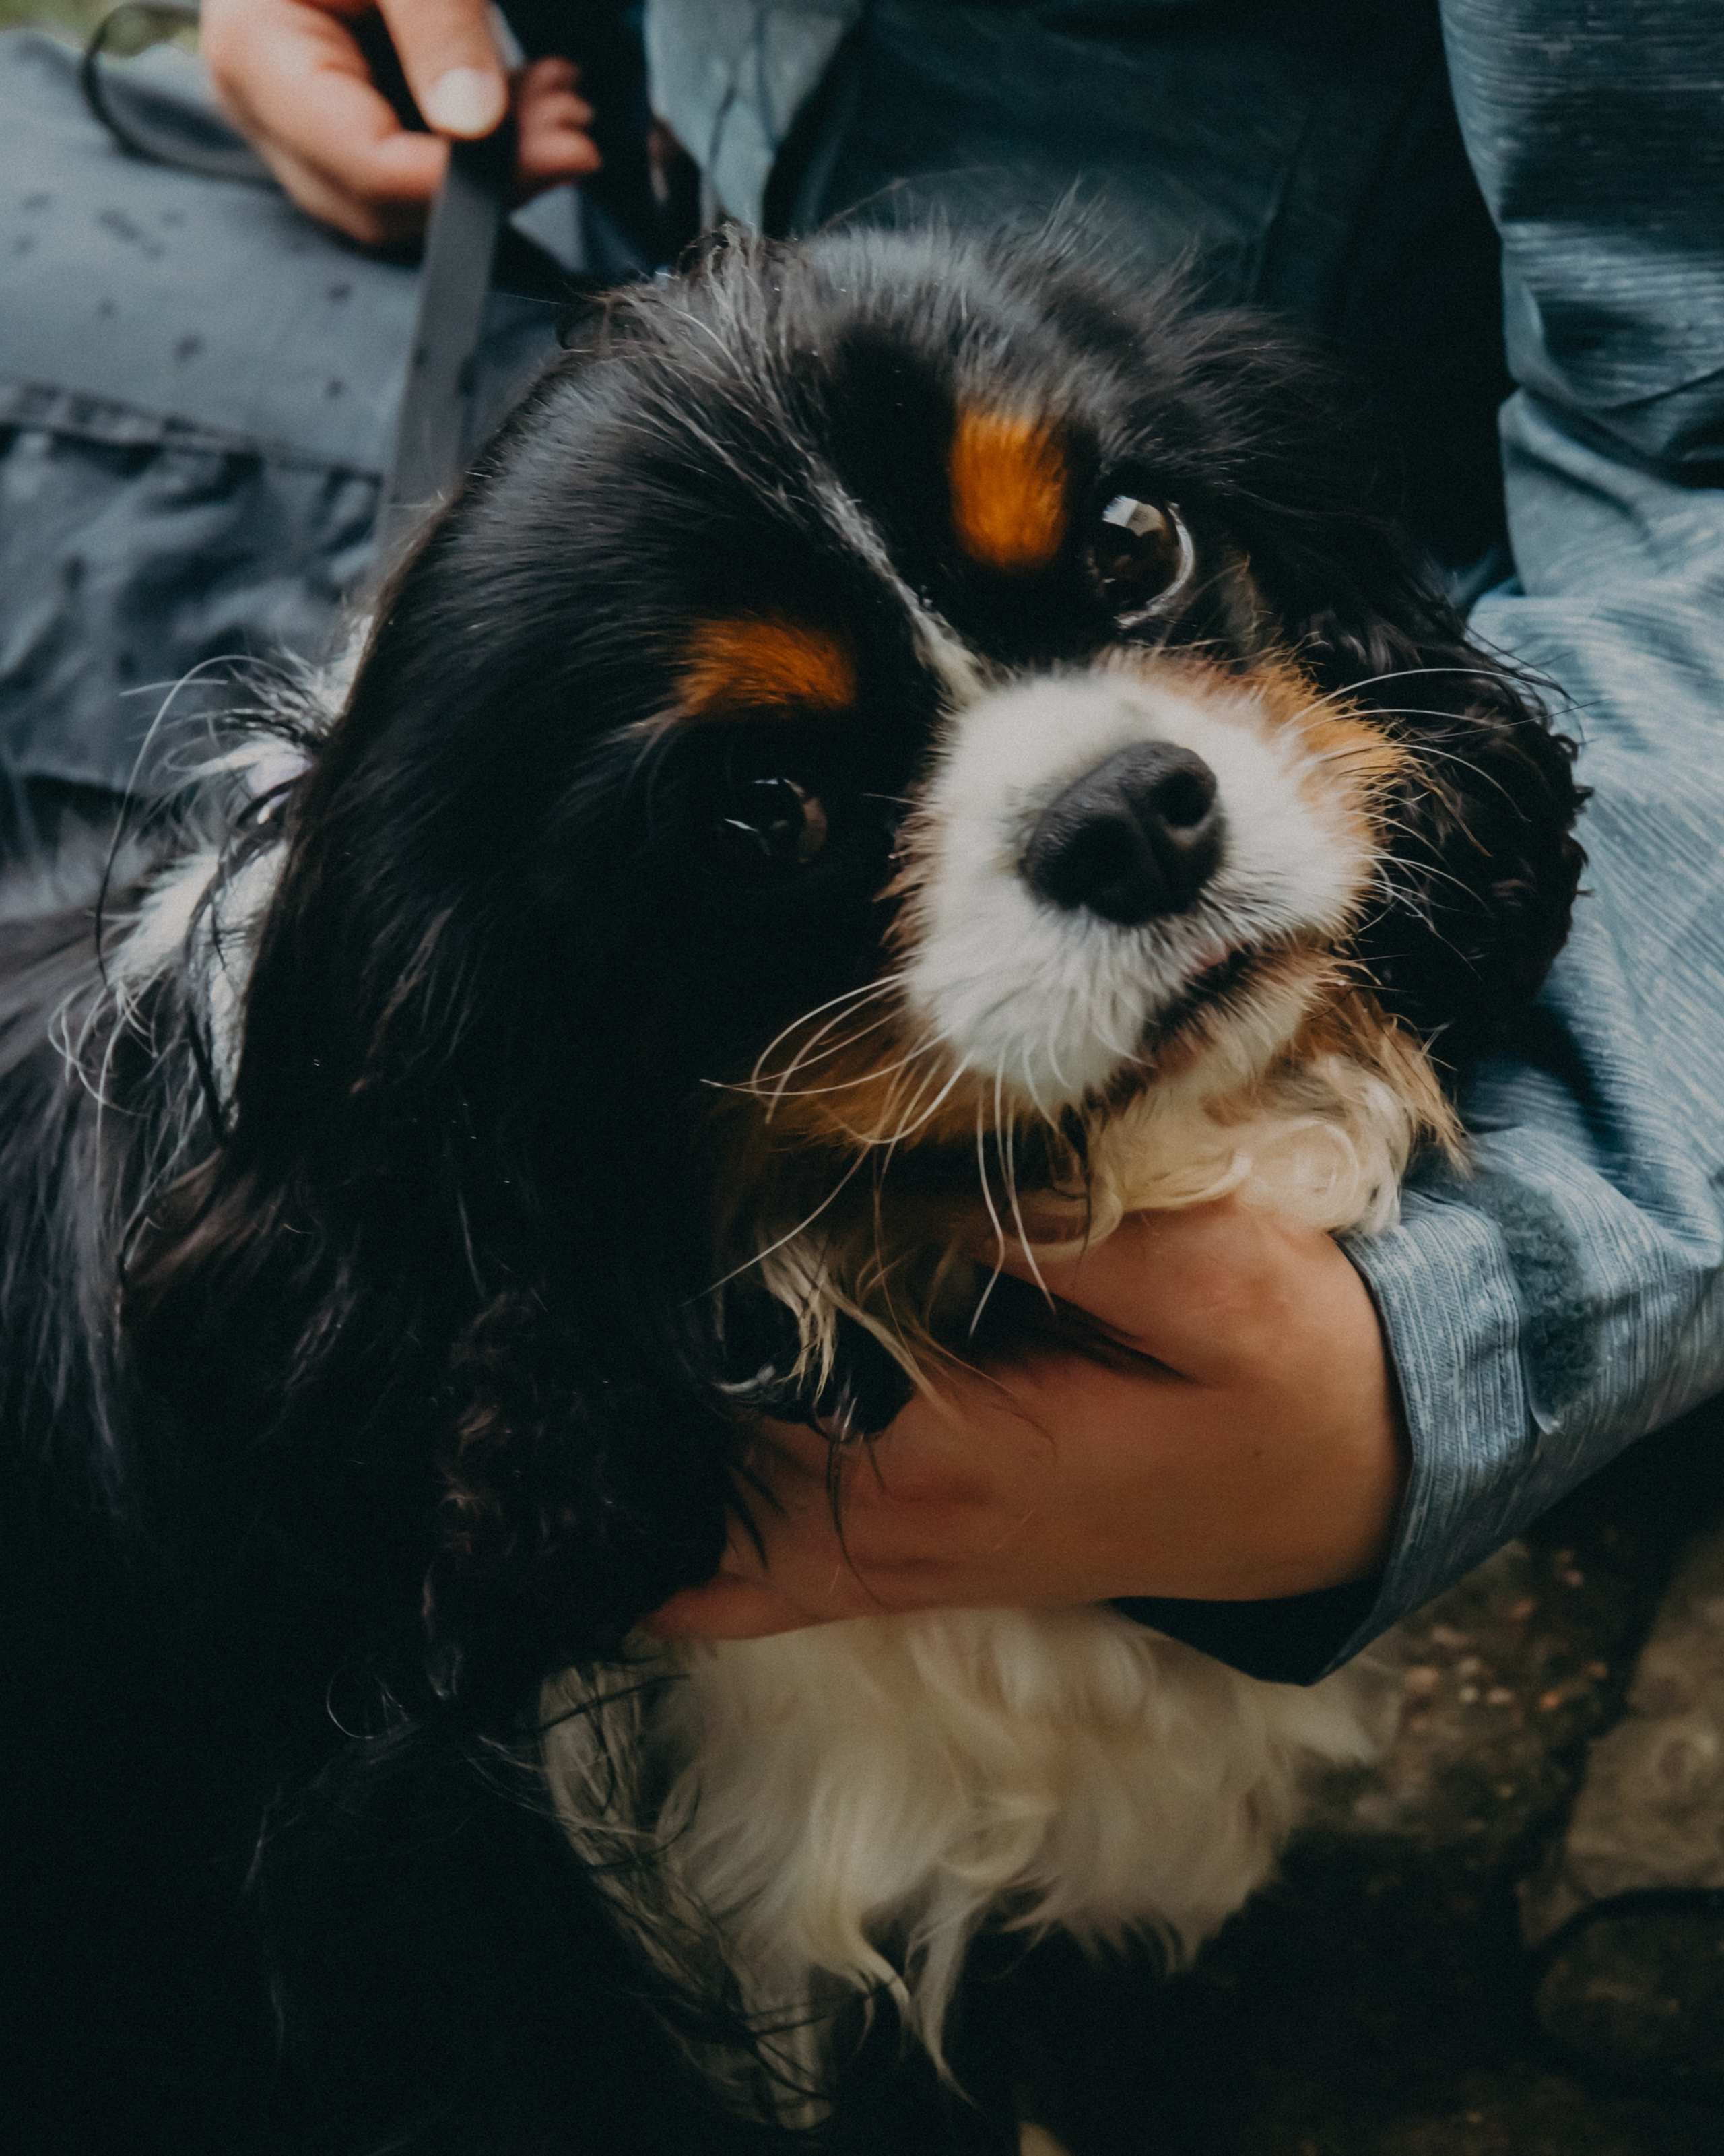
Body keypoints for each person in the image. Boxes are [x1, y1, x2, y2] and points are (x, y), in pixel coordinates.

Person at [4, 0, 1723, 1683]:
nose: (1118, 794)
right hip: (590, 204)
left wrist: (1461, 1340)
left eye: (1127, 562)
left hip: (1505, 557)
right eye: (774, 811)